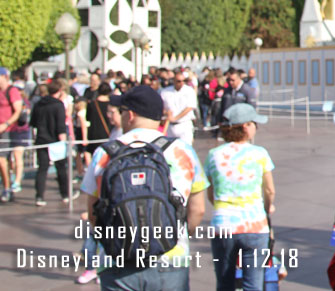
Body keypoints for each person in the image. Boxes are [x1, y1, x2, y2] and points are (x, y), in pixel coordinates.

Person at [82, 84, 208, 289]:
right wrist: (178, 235)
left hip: (116, 261)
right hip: (170, 259)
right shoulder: (182, 151)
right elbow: (198, 209)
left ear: (129, 115)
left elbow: (93, 212)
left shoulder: (104, 153)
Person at [205, 103, 276, 291]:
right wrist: (267, 207)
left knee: (224, 282)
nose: (256, 128)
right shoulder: (259, 153)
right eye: (254, 124)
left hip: (223, 224)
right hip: (254, 224)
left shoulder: (213, 155)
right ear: (245, 126)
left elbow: (211, 193)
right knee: (253, 283)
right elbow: (269, 190)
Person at [29, 80, 71, 206]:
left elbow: (33, 122)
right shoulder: (58, 105)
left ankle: (39, 196)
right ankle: (65, 194)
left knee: (42, 169)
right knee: (61, 168)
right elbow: (60, 126)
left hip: (41, 139)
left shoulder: (38, 104)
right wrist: (64, 142)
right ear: (59, 91)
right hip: (56, 141)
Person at [0, 66, 25, 202]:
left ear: (4, 76)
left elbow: (17, 110)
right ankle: (6, 184)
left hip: (9, 131)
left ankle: (7, 187)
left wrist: (6, 124)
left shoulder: (12, 91)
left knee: (2, 159)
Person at [8, 68, 32, 194]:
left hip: (20, 131)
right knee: (9, 158)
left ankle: (17, 181)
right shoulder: (8, 100)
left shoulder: (24, 103)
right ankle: (13, 176)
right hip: (10, 130)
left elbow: (25, 117)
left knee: (18, 156)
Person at [161, 71, 198, 145]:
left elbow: (189, 107)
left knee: (185, 148)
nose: (181, 83)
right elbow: (161, 106)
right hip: (170, 126)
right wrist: (166, 113)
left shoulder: (189, 91)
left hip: (184, 124)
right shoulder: (165, 92)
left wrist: (176, 118)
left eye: (184, 81)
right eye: (179, 81)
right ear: (174, 81)